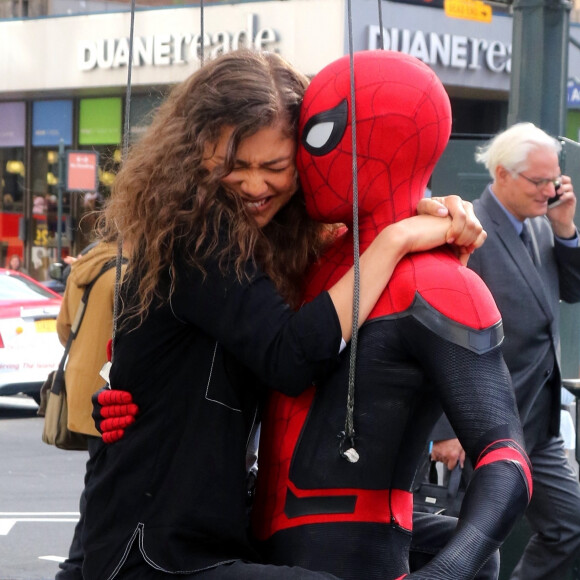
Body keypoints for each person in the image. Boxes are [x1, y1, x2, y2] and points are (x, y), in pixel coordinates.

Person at [81, 49, 485, 580]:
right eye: (234, 167)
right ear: (193, 153)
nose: (254, 186)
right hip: (159, 546)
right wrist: (398, 238)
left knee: (459, 549)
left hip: (218, 526)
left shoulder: (278, 243)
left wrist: (430, 213)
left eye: (276, 167)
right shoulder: (197, 235)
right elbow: (290, 356)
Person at [251, 50, 531, 580]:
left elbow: (506, 459)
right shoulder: (304, 257)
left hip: (358, 553)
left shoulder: (435, 282)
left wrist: (447, 571)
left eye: (315, 137)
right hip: (255, 547)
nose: (298, 164)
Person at [429, 122, 580, 580]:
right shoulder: (471, 228)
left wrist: (566, 228)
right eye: (540, 182)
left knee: (570, 524)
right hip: (483, 421)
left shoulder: (540, 223)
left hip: (539, 419)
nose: (550, 190)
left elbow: (570, 292)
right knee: (470, 544)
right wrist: (444, 428)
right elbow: (440, 328)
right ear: (503, 174)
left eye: (555, 179)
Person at [54, 240, 126, 580]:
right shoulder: (128, 272)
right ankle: (77, 566)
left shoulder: (83, 267)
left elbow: (63, 329)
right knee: (103, 482)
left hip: (80, 381)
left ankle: (80, 564)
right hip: (108, 390)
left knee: (98, 475)